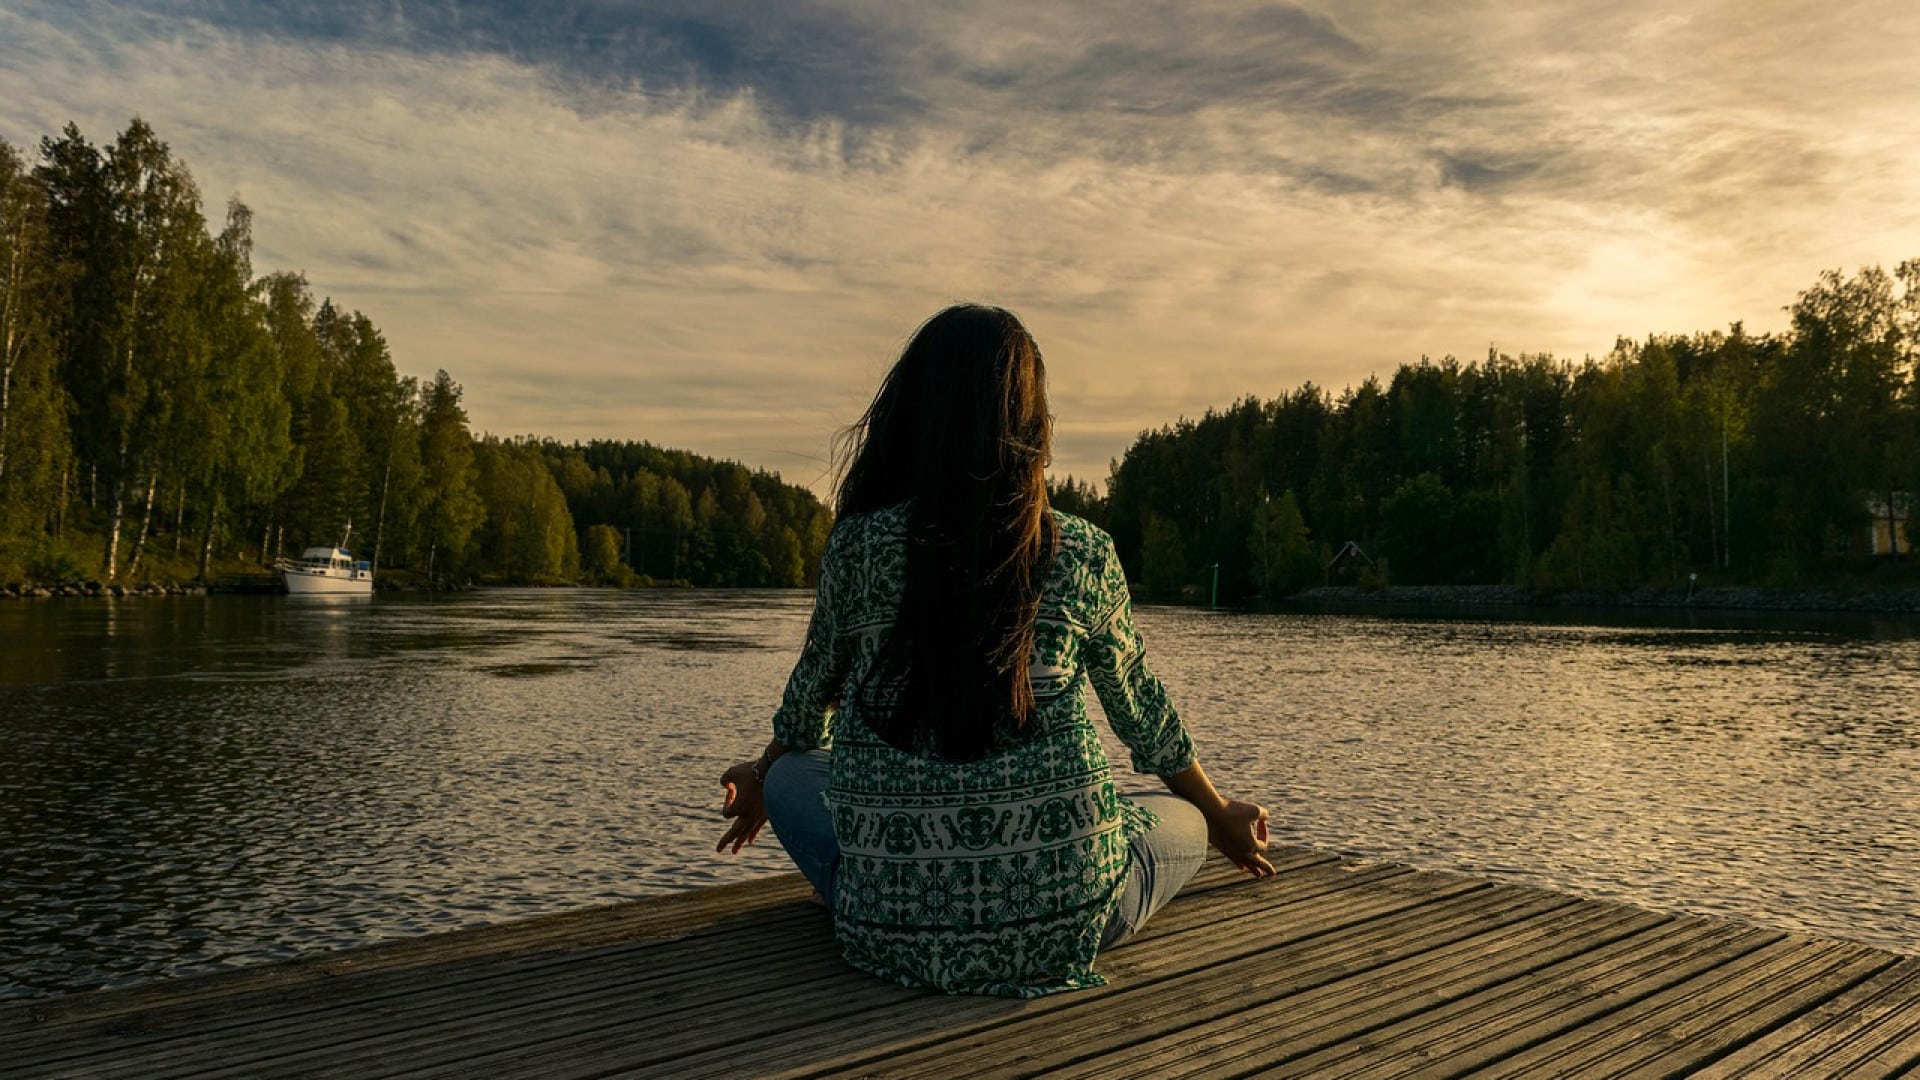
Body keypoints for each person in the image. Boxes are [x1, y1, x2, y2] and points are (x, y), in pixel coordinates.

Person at [715, 303, 1273, 998]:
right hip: (1069, 921)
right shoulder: (1084, 552)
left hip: (888, 932)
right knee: (1182, 817)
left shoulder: (857, 547)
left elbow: (807, 708)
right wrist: (1221, 817)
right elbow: (1144, 718)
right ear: (1032, 425)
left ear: (912, 416)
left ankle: (889, 890)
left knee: (797, 773)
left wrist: (765, 773)